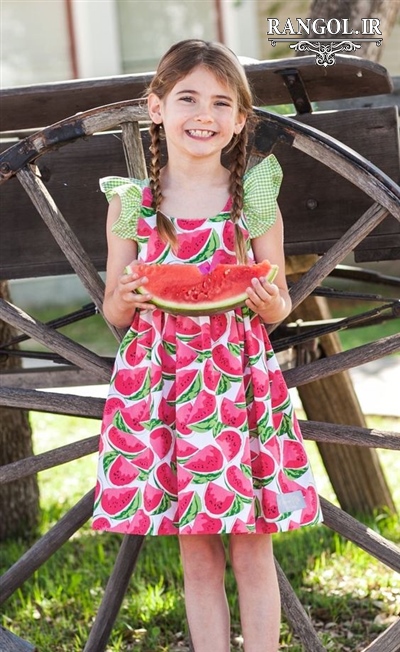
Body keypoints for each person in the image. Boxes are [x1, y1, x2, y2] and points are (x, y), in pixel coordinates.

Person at [93, 39, 322, 652]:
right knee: (197, 554)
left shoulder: (254, 199)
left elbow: (279, 301)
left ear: (241, 119)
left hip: (238, 386)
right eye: (188, 98)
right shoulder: (131, 204)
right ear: (157, 108)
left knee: (252, 548)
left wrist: (269, 302)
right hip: (166, 389)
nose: (204, 114)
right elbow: (114, 309)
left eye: (222, 103)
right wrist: (130, 294)